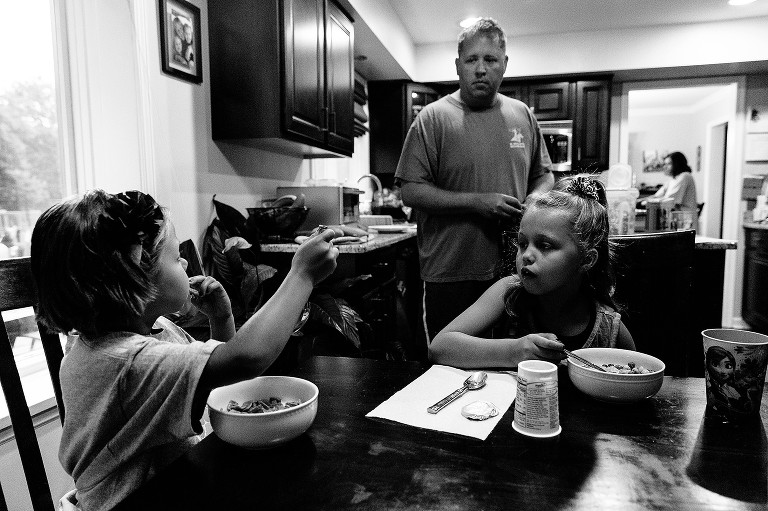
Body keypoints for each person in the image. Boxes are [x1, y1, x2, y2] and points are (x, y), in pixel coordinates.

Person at [30, 190, 338, 511]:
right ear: (135, 273)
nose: (186, 262)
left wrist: (221, 317)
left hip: (174, 488)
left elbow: (216, 381)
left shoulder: (156, 330)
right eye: (176, 256)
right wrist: (302, 274)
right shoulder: (122, 361)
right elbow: (247, 358)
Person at [394, 17, 554, 345]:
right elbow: (410, 190)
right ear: (457, 66)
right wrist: (477, 202)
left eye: (490, 59)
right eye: (472, 60)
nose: (481, 69)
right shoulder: (432, 119)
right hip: (449, 272)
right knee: (448, 364)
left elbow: (545, 175)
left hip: (517, 269)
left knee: (514, 364)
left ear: (504, 64)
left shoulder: (522, 114)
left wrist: (534, 203)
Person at [430, 175, 635, 369]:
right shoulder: (509, 292)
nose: (526, 255)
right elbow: (439, 348)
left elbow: (637, 378)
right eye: (522, 243)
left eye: (545, 245)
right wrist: (514, 351)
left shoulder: (609, 330)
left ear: (587, 259)